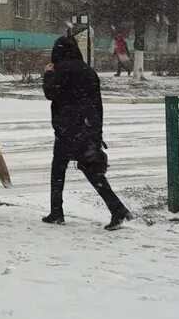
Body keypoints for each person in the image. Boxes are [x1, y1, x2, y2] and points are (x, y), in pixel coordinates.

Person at [42, 34, 132, 229]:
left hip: (68, 128)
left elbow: (51, 93)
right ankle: (117, 209)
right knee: (90, 169)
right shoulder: (88, 71)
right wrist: (97, 129)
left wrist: (48, 73)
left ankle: (57, 212)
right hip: (87, 126)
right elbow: (97, 103)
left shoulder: (62, 70)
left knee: (59, 168)